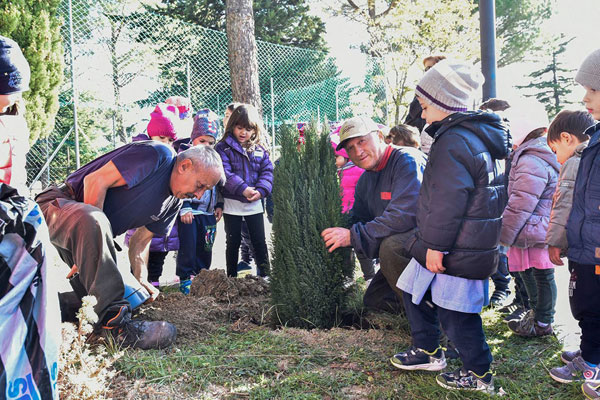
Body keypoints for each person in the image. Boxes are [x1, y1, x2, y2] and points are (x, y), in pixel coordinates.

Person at [391, 60, 510, 393]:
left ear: (445, 104)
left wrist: (435, 247)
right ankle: (428, 349)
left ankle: (479, 374)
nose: (423, 115)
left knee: (458, 316)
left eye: (426, 107)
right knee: (414, 291)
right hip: (457, 242)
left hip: (454, 247)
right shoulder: (470, 137)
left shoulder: (454, 141)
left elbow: (447, 200)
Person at [35, 141, 225, 350]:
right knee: (95, 222)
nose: (198, 196)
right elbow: (94, 181)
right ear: (184, 166)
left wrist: (141, 279)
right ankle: (114, 328)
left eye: (205, 191)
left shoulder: (174, 203)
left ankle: (46, 308)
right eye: (200, 186)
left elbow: (141, 240)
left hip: (92, 230)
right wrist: (90, 243)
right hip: (57, 205)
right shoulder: (158, 155)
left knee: (131, 298)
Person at [0, 35, 61, 400]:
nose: (10, 102)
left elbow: (16, 182)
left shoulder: (14, 123)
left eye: (12, 96)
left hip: (13, 228)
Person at [321, 116, 427, 312]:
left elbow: (404, 215)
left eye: (361, 141)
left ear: (380, 136)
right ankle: (413, 305)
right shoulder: (365, 180)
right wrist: (333, 227)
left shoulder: (407, 160)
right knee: (375, 301)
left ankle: (431, 317)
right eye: (350, 148)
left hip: (432, 243)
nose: (357, 151)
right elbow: (360, 218)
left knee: (391, 246)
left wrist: (352, 236)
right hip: (409, 248)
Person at [549, 49, 600, 393]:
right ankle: (590, 354)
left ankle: (592, 365)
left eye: (593, 89)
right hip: (586, 246)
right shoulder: (594, 140)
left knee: (594, 308)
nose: (585, 98)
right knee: (585, 304)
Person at [500, 101, 560, 337]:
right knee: (531, 273)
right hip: (533, 227)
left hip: (532, 228)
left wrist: (504, 233)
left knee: (541, 275)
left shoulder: (530, 159)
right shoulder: (534, 153)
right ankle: (537, 316)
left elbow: (520, 203)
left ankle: (543, 321)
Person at [125, 103, 182, 287]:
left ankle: (153, 286)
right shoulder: (142, 154)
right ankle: (135, 288)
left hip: (161, 222)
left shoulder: (173, 158)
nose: (165, 143)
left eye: (170, 140)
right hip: (141, 216)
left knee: (158, 260)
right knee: (137, 257)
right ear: (151, 135)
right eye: (161, 137)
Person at [216, 103, 273, 277]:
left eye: (248, 129)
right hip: (232, 204)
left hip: (254, 202)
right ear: (232, 126)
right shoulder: (222, 147)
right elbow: (224, 172)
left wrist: (261, 190)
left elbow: (268, 172)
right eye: (239, 127)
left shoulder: (260, 149)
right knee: (233, 241)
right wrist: (243, 189)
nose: (243, 133)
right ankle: (231, 277)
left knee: (259, 241)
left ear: (254, 130)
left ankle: (265, 275)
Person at [177, 109, 223, 294]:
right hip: (191, 212)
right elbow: (179, 185)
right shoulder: (186, 156)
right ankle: (186, 278)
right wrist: (185, 206)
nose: (206, 145)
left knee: (206, 245)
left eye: (211, 142)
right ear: (193, 138)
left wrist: (219, 204)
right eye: (202, 141)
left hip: (209, 212)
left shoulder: (214, 157)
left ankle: (202, 277)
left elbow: (219, 183)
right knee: (188, 246)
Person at [545, 110, 595, 264]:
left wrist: (555, 241)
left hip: (584, 245)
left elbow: (565, 203)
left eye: (555, 150)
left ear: (566, 138)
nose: (556, 158)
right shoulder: (594, 156)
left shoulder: (573, 163)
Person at [478, 98, 514, 309]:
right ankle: (497, 288)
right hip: (488, 201)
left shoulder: (513, 145)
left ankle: (504, 288)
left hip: (509, 205)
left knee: (504, 251)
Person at [329, 124, 374, 281]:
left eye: (336, 157)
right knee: (346, 248)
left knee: (361, 247)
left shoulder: (358, 170)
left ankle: (369, 276)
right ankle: (348, 276)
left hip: (358, 214)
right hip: (344, 214)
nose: (333, 161)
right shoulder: (338, 172)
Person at [404, 55, 446, 154]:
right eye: (426, 69)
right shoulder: (423, 90)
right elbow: (411, 116)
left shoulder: (446, 94)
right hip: (415, 138)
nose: (427, 72)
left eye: (430, 68)